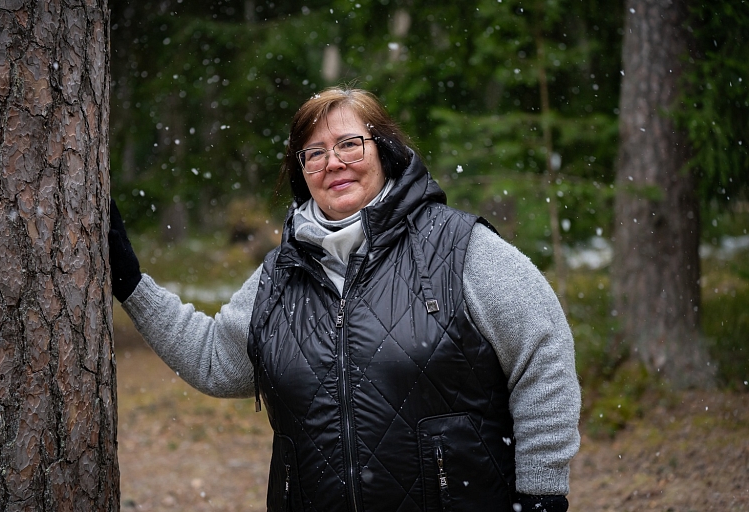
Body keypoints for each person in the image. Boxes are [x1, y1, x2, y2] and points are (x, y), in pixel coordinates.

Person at [109, 86, 581, 512]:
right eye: (312, 154)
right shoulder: (280, 273)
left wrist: (542, 493)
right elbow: (214, 360)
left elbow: (543, 352)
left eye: (349, 144)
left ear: (386, 152)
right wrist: (131, 284)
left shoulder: (460, 247)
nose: (332, 163)